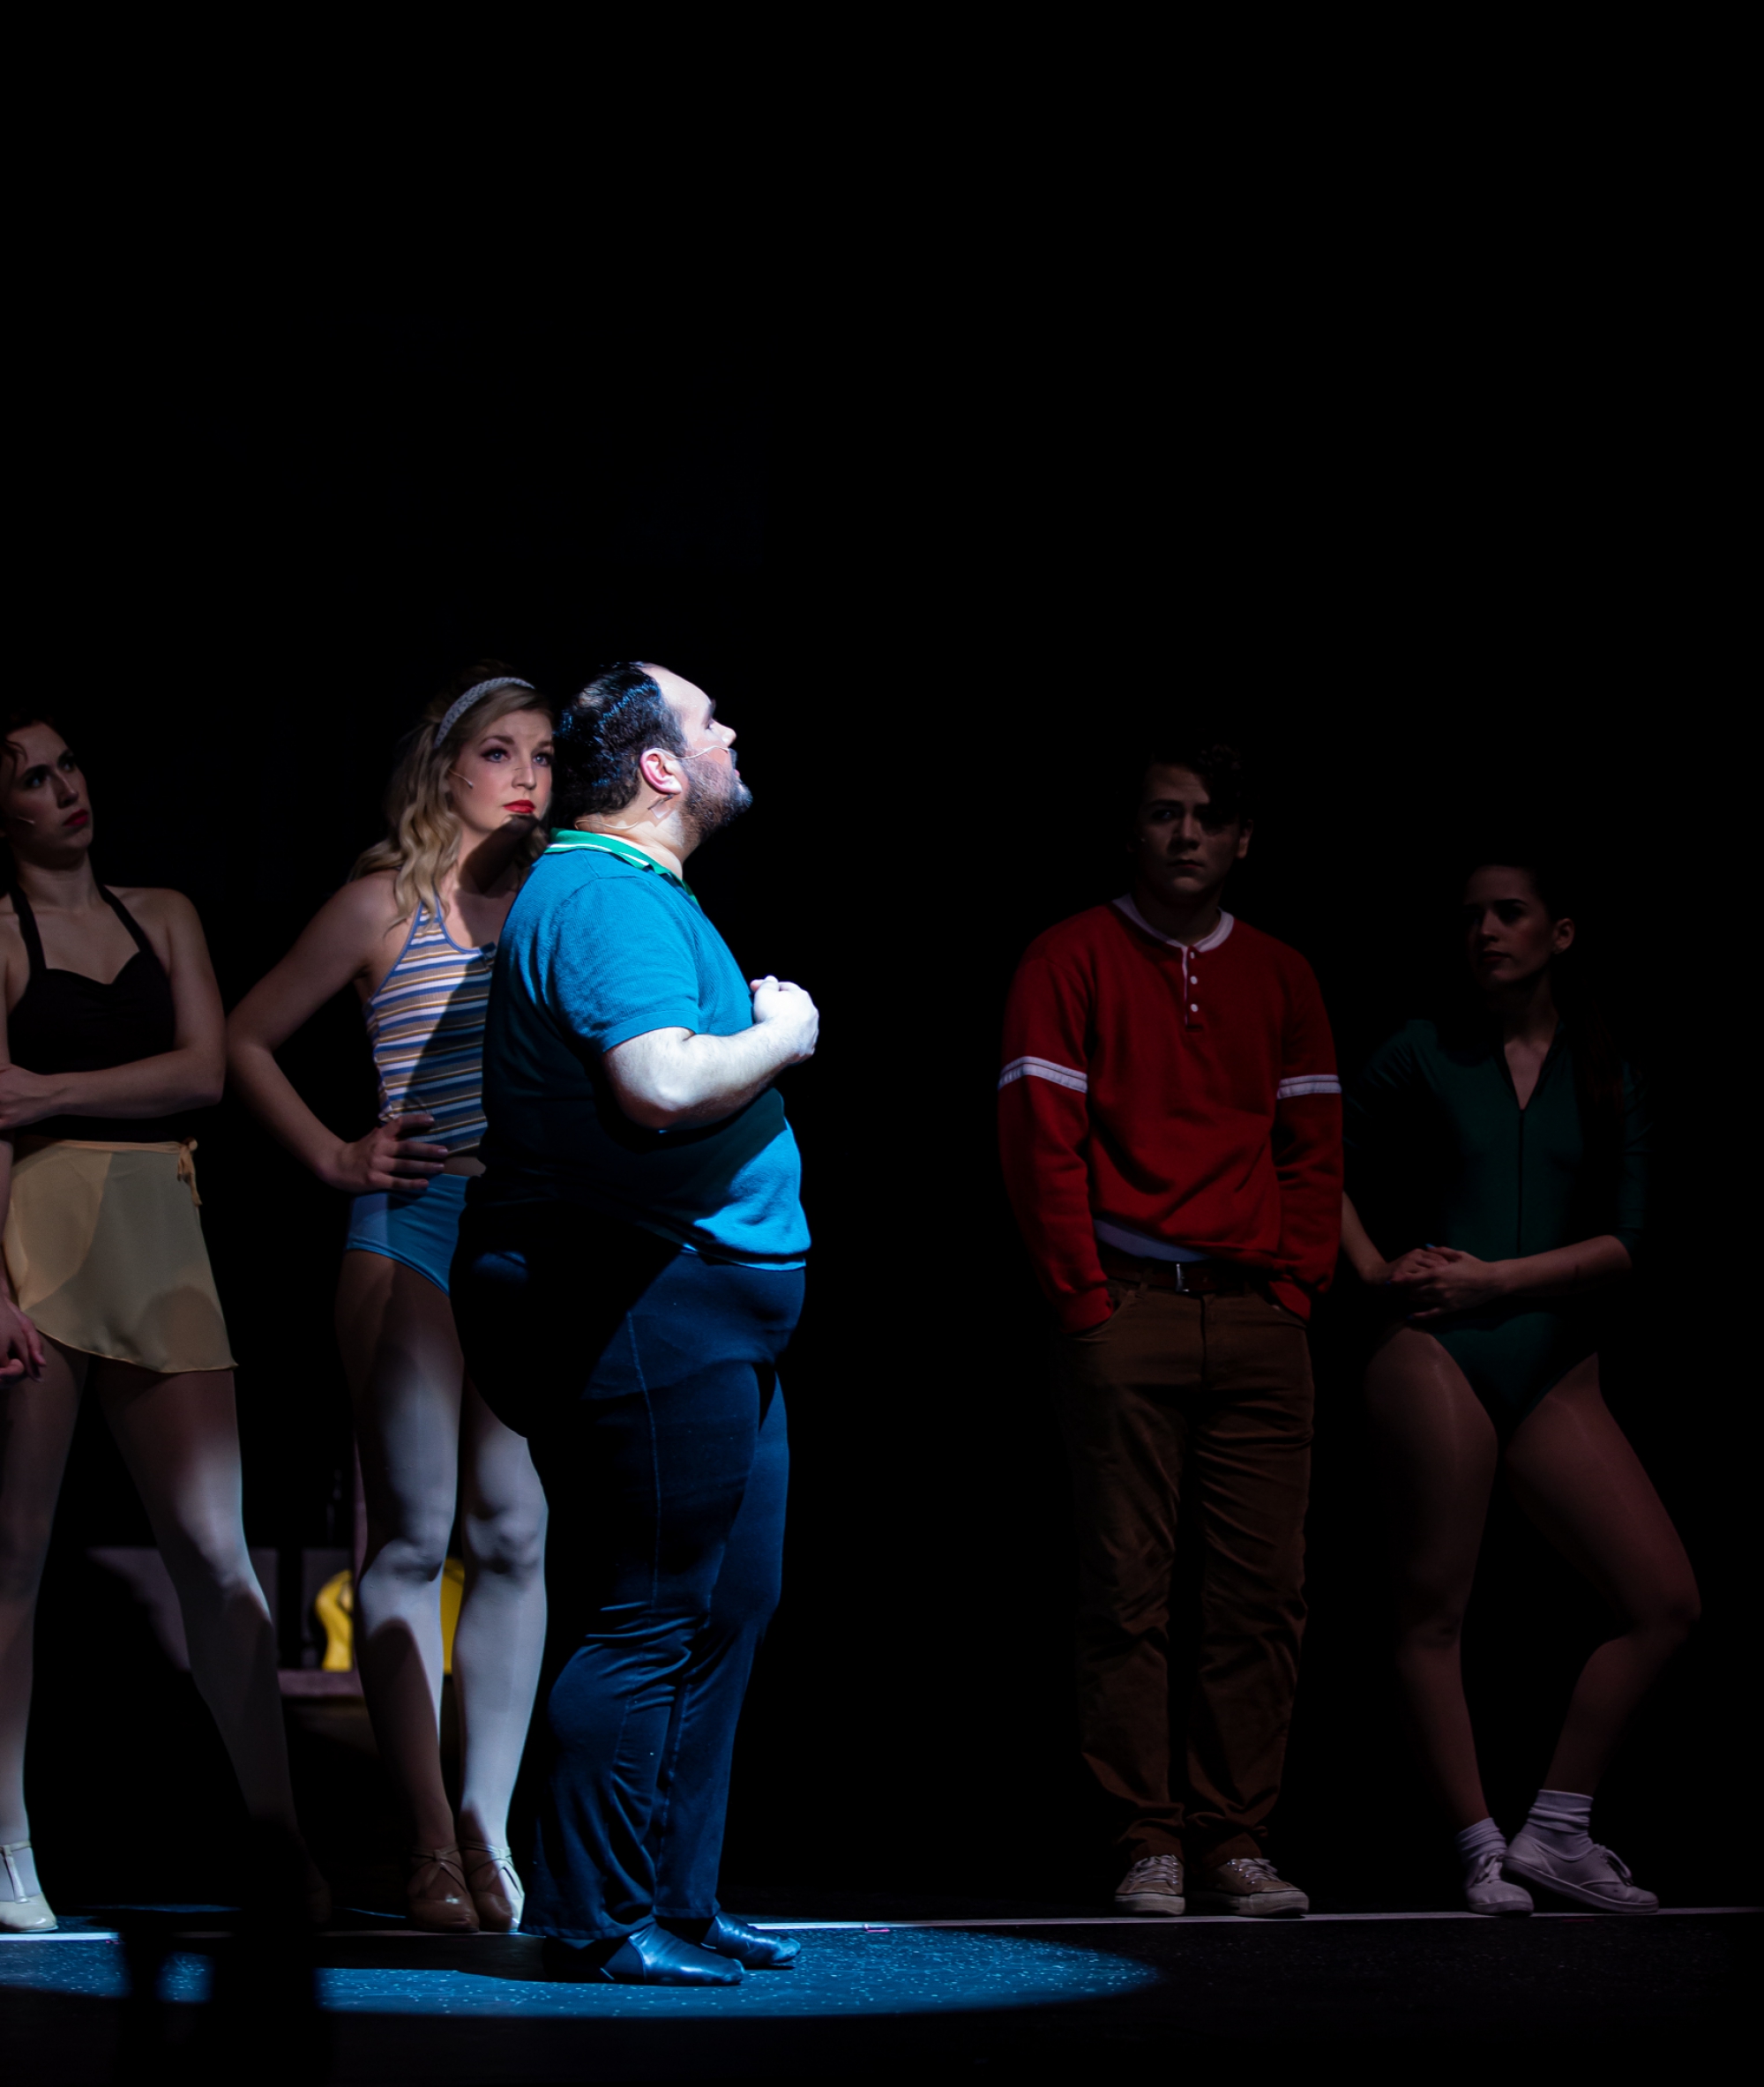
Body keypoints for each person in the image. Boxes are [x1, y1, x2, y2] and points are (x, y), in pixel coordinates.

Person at [451, 662, 813, 1986]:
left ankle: (676, 1894)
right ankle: (595, 1915)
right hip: (644, 1297)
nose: (730, 733)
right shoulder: (602, 891)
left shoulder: (635, 889)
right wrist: (785, 1030)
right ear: (660, 767)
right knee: (651, 1607)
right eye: (710, 722)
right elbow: (657, 1081)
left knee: (731, 1597)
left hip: (710, 1304)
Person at [226, 666, 553, 1932]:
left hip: (518, 1236)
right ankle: (426, 1839)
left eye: (542, 754)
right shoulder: (383, 902)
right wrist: (331, 1153)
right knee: (415, 1534)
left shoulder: (560, 900)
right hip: (410, 1227)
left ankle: (489, 1830)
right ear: (445, 766)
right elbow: (245, 1036)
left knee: (514, 1532)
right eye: (499, 750)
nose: (525, 774)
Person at [998, 744, 1341, 1919]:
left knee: (1261, 1594)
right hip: (1126, 1305)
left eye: (1207, 817)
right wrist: (1084, 1296)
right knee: (1126, 1588)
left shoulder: (1282, 972)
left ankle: (1235, 1837)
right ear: (1132, 831)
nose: (1186, 834)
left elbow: (1312, 1147)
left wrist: (1295, 1288)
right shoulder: (1069, 955)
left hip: (1256, 1317)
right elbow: (1038, 1139)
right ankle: (1147, 1837)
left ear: (1242, 839)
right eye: (1163, 813)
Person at [0, 710, 323, 1933]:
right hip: (40, 1236)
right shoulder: (0, 934)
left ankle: (280, 1835)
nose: (62, 788)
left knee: (213, 1551)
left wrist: (50, 1089)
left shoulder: (165, 912)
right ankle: (9, 1845)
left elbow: (203, 1072)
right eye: (32, 778)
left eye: (67, 763)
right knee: (16, 1555)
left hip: (157, 1234)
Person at [1341, 856, 1697, 1915]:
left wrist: (1497, 1279)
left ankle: (1555, 1828)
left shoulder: (1607, 1070)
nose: (1485, 932)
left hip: (1552, 1363)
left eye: (1509, 913)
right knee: (1431, 1609)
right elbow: (1309, 1156)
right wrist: (1372, 1267)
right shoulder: (1423, 1048)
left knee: (1663, 1602)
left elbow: (1628, 1242)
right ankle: (1478, 1846)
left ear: (1560, 931)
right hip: (1435, 1351)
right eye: (1471, 917)